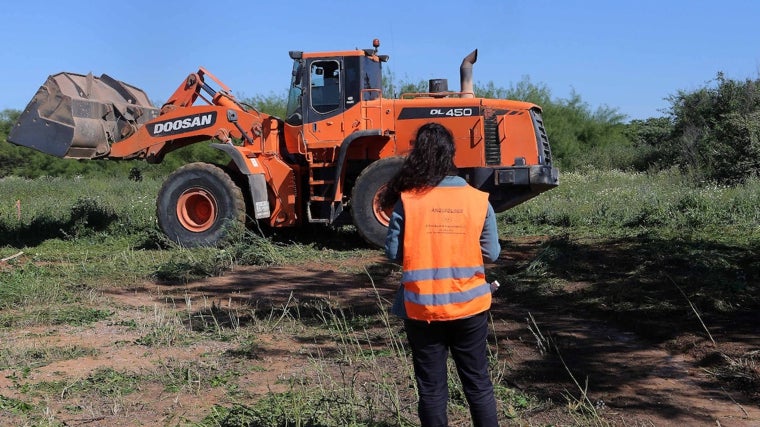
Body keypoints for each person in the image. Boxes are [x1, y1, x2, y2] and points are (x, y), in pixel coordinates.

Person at [383, 122, 501, 427]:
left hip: (423, 308)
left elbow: (395, 253)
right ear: (452, 154)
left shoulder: (407, 201)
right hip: (471, 308)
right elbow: (491, 254)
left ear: (417, 155)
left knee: (432, 389)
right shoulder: (478, 200)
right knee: (478, 384)